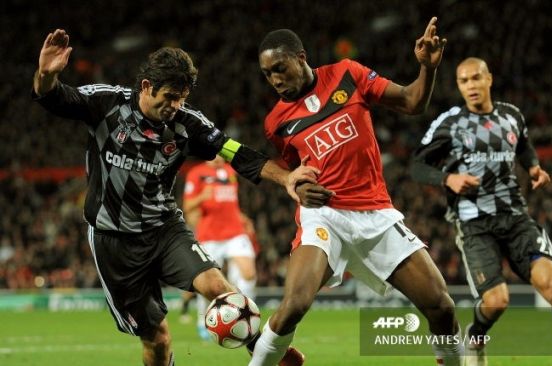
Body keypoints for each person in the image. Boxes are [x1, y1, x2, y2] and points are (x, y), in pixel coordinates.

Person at [32, 29, 330, 366]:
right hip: (114, 243)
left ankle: (265, 350)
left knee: (221, 289)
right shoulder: (107, 104)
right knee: (158, 339)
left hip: (164, 231)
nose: (176, 106)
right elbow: (55, 98)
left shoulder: (188, 124)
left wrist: (286, 177)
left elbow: (236, 153)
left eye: (182, 98)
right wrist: (45, 75)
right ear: (146, 87)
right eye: (170, 97)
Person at [248, 17, 464, 366]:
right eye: (267, 74)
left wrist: (427, 69)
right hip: (325, 217)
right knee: (294, 306)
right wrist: (300, 187)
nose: (275, 80)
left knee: (441, 305)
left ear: (301, 57)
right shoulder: (276, 122)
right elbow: (295, 171)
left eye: (280, 68)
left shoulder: (347, 74)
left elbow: (412, 102)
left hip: (374, 213)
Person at [411, 57, 552, 366]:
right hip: (475, 224)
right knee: (497, 302)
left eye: (475, 78)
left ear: (489, 79)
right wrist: (448, 178)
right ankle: (476, 336)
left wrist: (534, 167)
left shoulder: (512, 115)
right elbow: (417, 165)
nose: (470, 86)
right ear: (458, 86)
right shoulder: (451, 122)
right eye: (463, 81)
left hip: (516, 218)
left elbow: (523, 145)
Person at [181, 155, 259, 340]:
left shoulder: (230, 172)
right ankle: (203, 322)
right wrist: (202, 196)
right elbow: (187, 205)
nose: (219, 156)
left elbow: (231, 203)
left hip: (235, 232)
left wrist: (242, 218)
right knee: (207, 281)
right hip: (210, 235)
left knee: (249, 273)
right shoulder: (196, 173)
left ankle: (244, 316)